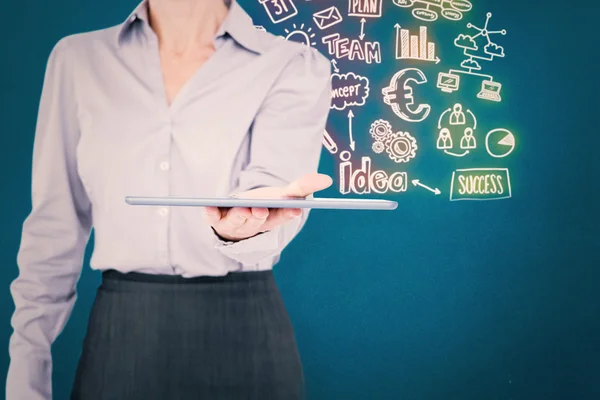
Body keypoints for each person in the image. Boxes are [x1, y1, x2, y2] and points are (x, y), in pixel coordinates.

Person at [6, 0, 332, 399]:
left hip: (246, 334)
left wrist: (242, 226)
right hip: (122, 336)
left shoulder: (292, 64)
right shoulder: (77, 60)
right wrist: (25, 378)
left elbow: (267, 204)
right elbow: (55, 225)